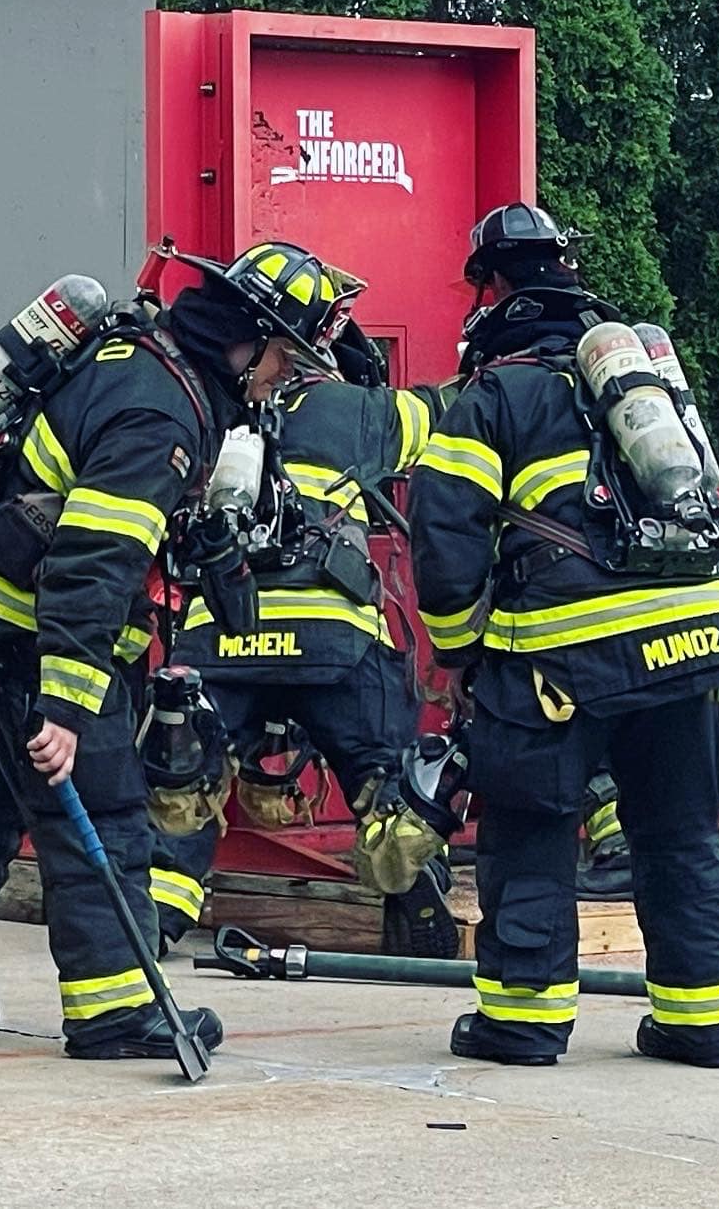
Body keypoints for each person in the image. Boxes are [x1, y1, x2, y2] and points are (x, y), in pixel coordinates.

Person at [0, 238, 349, 1060]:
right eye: (285, 359)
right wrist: (65, 706)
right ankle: (118, 1011)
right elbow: (93, 559)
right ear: (247, 338)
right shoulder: (161, 414)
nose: (283, 379)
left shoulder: (138, 352)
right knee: (103, 813)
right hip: (28, 642)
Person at [409, 202, 719, 1068]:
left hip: (562, 659)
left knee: (531, 829)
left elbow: (445, 542)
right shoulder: (644, 387)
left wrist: (459, 652)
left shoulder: (496, 396)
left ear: (492, 288)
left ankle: (522, 1023)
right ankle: (706, 1023)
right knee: (679, 832)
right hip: (692, 643)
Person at [148, 301, 460, 958]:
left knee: (189, 783)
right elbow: (448, 412)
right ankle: (417, 903)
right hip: (333, 641)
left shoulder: (208, 403)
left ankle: (156, 915)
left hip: (222, 638)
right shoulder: (360, 410)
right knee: (384, 779)